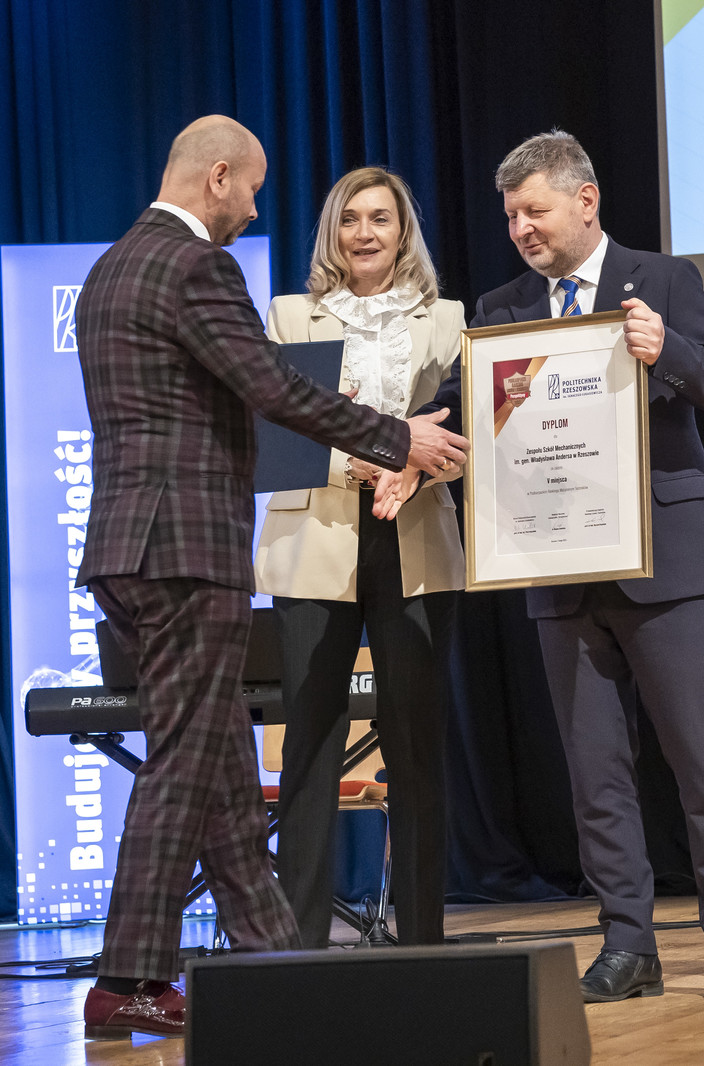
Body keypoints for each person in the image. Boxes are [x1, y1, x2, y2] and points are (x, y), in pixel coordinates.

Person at [74, 116, 469, 1039]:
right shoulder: (196, 267)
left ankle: (275, 960)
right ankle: (126, 979)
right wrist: (395, 437)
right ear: (219, 176)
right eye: (251, 188)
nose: (255, 210)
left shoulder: (109, 269)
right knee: (184, 764)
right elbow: (274, 389)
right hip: (184, 549)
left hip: (125, 547)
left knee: (215, 759)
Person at [425, 129, 704, 1001]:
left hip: (670, 567)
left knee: (702, 764)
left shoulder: (664, 281)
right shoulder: (500, 308)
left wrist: (668, 351)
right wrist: (407, 446)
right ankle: (627, 945)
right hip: (559, 567)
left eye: (534, 211)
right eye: (511, 217)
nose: (521, 230)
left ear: (586, 200)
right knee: (596, 775)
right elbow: (462, 413)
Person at [254, 167, 466, 948]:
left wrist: (417, 468)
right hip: (314, 535)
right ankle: (301, 945)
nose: (364, 233)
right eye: (350, 219)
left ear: (403, 230)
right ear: (332, 233)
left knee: (415, 743)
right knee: (311, 741)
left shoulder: (447, 320)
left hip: (416, 533)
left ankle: (423, 941)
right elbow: (274, 425)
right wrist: (369, 460)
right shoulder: (288, 316)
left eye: (380, 217)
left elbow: (466, 426)